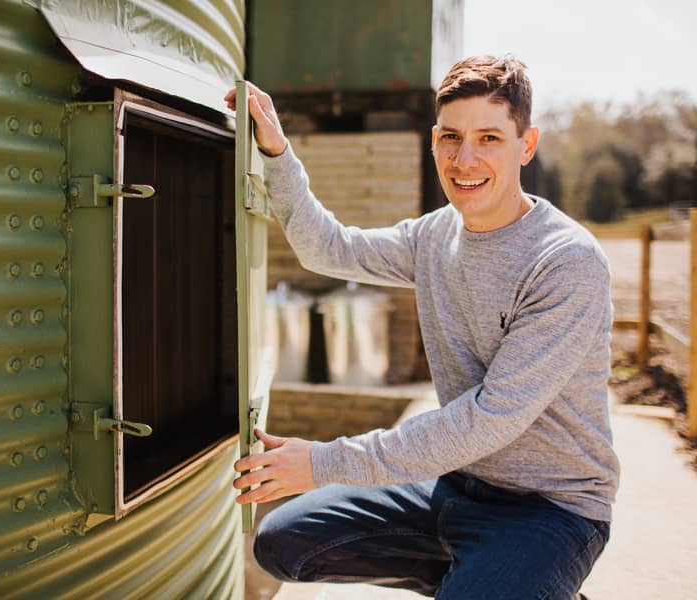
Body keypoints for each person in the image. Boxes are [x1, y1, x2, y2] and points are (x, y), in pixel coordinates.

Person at [226, 55, 618, 599]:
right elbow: (327, 247)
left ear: (526, 146)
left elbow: (488, 420)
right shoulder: (434, 237)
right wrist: (277, 151)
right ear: (433, 141)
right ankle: (488, 580)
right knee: (283, 543)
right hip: (455, 483)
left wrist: (323, 461)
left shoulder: (565, 262)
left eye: (489, 138)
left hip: (549, 508)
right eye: (452, 138)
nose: (465, 158)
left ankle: (519, 579)